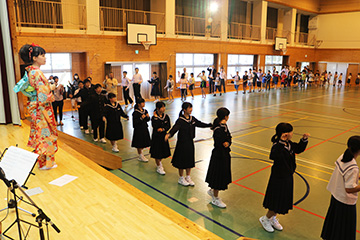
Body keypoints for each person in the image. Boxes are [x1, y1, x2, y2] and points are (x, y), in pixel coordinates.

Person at [259, 123, 310, 233]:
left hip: (287, 176)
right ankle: (265, 219)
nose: (292, 133)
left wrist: (304, 140)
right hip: (278, 178)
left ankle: (272, 218)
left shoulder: (289, 144)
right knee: (275, 200)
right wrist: (281, 142)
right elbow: (273, 156)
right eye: (291, 131)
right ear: (285, 134)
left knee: (282, 200)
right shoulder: (277, 145)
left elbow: (298, 149)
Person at [19, 43, 58, 170]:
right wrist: (51, 88)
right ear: (34, 58)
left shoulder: (30, 71)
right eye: (42, 55)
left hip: (35, 106)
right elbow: (43, 95)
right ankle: (47, 163)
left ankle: (42, 161)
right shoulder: (37, 73)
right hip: (41, 108)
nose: (44, 58)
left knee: (39, 132)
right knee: (45, 134)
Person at [321, 136, 360, 240]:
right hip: (345, 203)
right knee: (343, 230)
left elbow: (345, 174)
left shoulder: (343, 156)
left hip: (336, 197)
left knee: (334, 226)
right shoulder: (353, 167)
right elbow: (349, 189)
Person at [165, 102, 212, 186]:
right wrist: (169, 134)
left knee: (189, 159)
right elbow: (175, 128)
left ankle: (188, 176)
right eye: (189, 108)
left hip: (190, 142)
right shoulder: (180, 120)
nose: (191, 109)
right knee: (181, 160)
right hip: (182, 143)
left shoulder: (192, 119)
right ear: (184, 110)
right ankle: (181, 178)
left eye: (191, 107)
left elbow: (199, 123)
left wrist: (209, 125)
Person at [205, 107, 232, 208]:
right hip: (219, 155)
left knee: (221, 174)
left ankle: (212, 191)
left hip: (224, 154)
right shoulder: (218, 128)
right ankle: (215, 198)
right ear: (225, 116)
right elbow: (219, 141)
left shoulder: (224, 126)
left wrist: (228, 142)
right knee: (218, 176)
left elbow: (229, 137)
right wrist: (224, 143)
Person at [150, 101, 171, 175]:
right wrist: (155, 118)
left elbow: (168, 125)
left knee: (163, 152)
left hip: (163, 137)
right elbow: (154, 126)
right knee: (157, 152)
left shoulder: (166, 116)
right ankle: (159, 166)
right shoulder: (154, 118)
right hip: (156, 137)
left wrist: (163, 129)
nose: (163, 109)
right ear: (158, 108)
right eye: (162, 107)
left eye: (164, 107)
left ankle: (159, 162)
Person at [131, 97, 151, 162]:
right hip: (138, 129)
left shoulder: (145, 111)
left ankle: (141, 154)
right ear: (139, 104)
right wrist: (141, 118)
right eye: (142, 102)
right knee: (139, 143)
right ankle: (140, 155)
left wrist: (148, 117)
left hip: (144, 128)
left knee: (144, 142)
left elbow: (147, 120)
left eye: (144, 102)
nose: (144, 104)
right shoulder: (135, 113)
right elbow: (135, 123)